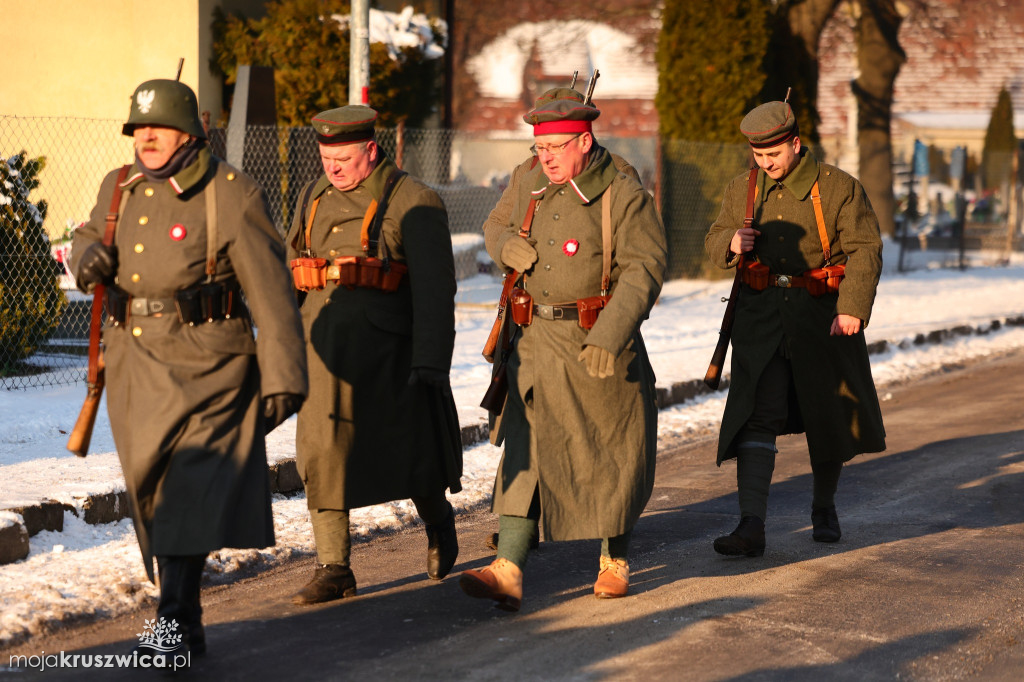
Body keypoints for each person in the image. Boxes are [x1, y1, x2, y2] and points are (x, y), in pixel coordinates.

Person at [71, 78, 307, 661]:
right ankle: (187, 614)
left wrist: (284, 378)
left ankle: (172, 622)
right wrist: (86, 256)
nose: (147, 137)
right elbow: (86, 235)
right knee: (149, 489)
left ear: (189, 133)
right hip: (133, 362)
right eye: (139, 128)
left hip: (210, 367)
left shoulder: (230, 193)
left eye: (160, 128)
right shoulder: (118, 186)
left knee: (185, 489)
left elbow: (271, 292)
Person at [461, 87, 667, 611]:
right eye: (539, 147)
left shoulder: (623, 192)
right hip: (534, 341)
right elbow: (495, 224)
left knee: (611, 450)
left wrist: (610, 333)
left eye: (555, 147)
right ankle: (508, 568)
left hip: (598, 339)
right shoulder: (527, 179)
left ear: (584, 141)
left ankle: (614, 560)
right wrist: (504, 245)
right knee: (526, 448)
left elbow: (644, 268)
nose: (545, 158)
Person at [286, 105, 462, 605]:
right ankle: (334, 567)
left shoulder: (414, 200)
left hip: (390, 355)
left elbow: (435, 290)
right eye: (326, 158)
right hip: (321, 351)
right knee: (321, 451)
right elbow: (292, 263)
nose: (333, 169)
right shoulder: (313, 195)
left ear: (370, 149)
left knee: (411, 453)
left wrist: (431, 361)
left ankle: (439, 521)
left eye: (343, 159)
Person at [704, 100, 886, 557]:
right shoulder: (743, 188)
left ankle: (824, 508)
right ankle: (751, 524)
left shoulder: (839, 187)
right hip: (761, 318)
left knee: (826, 412)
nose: (766, 163)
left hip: (822, 315)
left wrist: (852, 308)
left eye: (773, 154)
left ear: (796, 144)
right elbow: (714, 237)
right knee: (757, 412)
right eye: (758, 155)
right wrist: (731, 242)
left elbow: (865, 248)